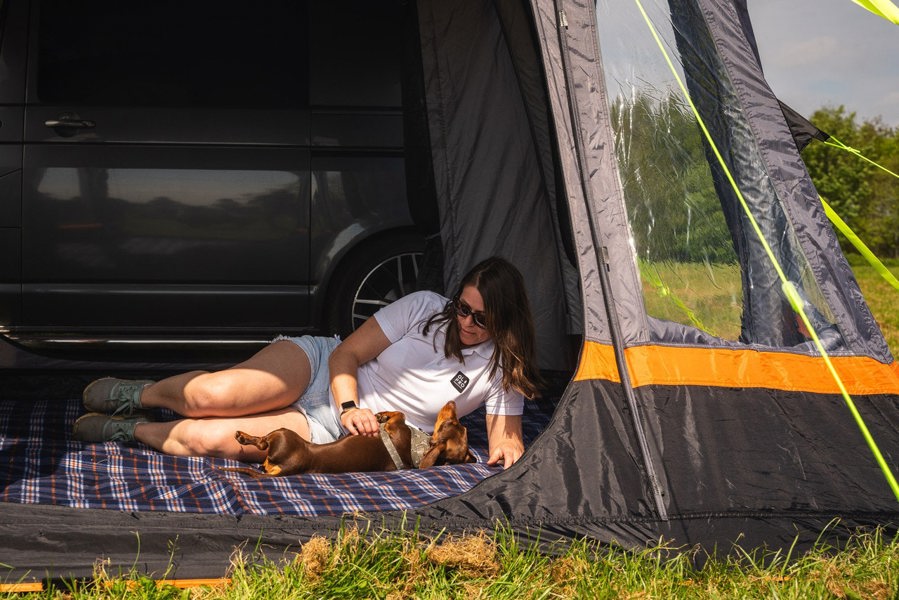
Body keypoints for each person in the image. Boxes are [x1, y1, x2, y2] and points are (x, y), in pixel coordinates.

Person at [72, 256, 542, 469]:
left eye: (481, 317)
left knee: (206, 438)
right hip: (325, 371)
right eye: (463, 308)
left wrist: (509, 453)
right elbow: (347, 353)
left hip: (341, 430)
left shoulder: (503, 367)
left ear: (505, 318)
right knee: (209, 396)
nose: (467, 322)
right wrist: (348, 405)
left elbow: (506, 437)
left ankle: (128, 429)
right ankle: (139, 394)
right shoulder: (423, 307)